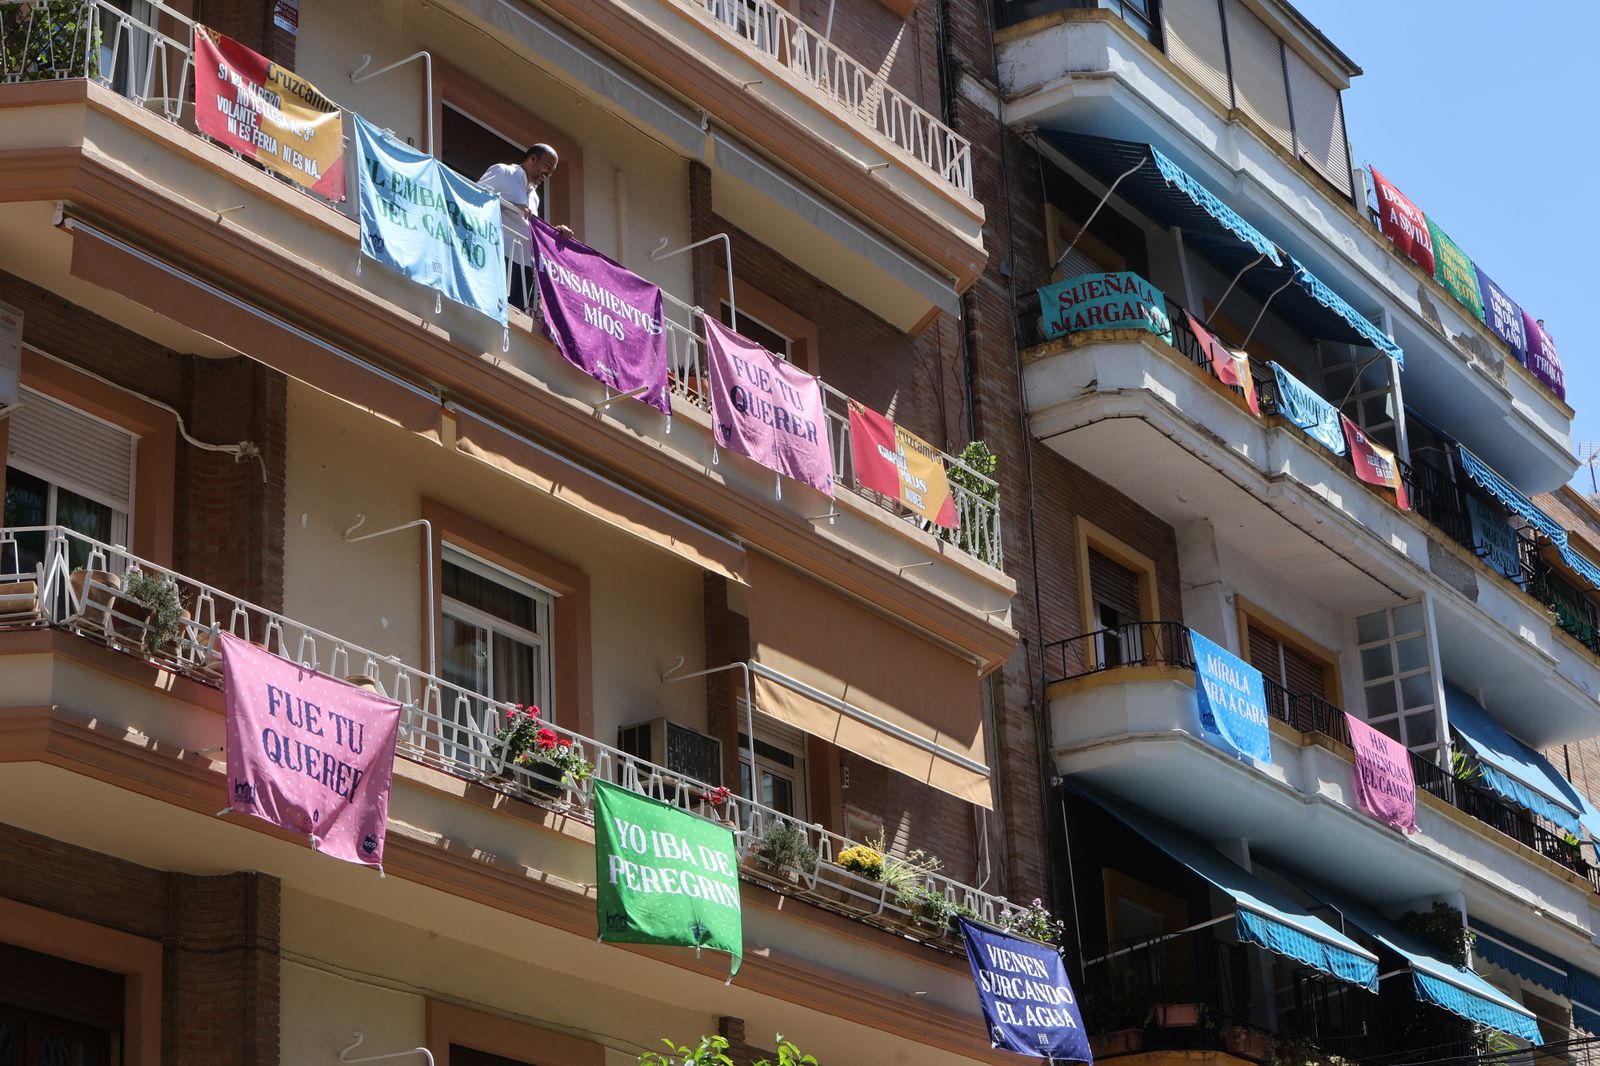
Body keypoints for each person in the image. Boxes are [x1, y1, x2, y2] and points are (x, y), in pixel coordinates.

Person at [479, 144, 571, 312]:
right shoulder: (503, 172)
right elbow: (474, 197)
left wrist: (555, 233)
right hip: (499, 253)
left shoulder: (534, 197)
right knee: (491, 308)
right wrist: (511, 206)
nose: (548, 174)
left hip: (523, 265)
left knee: (514, 315)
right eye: (548, 167)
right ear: (533, 158)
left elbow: (529, 225)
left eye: (552, 171)